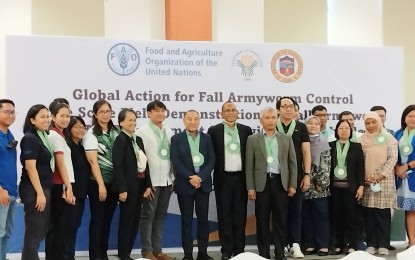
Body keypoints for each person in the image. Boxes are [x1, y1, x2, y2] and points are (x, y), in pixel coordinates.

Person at [246, 107, 297, 260]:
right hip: (262, 184)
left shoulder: (286, 138)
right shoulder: (253, 139)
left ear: (277, 119)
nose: (271, 120)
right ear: (261, 120)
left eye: (273, 117)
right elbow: (249, 165)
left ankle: (280, 252)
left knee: (280, 219)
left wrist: (292, 184)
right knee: (262, 220)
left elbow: (292, 163)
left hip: (280, 183)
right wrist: (250, 187)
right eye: (267, 118)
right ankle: (263, 252)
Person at [207, 101, 252, 260]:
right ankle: (226, 250)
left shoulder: (246, 130)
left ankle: (240, 249)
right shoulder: (214, 130)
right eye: (227, 110)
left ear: (237, 112)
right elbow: (210, 155)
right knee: (224, 214)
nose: (231, 112)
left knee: (240, 215)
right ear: (222, 113)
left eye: (233, 110)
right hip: (223, 178)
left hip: (241, 179)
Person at [170, 110, 215, 260]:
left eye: (196, 119)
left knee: (203, 221)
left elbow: (212, 160)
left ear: (199, 121)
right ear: (184, 120)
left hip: (203, 185)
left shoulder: (207, 138)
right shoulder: (176, 139)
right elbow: (176, 160)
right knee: (186, 221)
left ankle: (203, 253)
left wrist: (200, 178)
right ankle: (188, 254)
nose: (193, 122)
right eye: (189, 119)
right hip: (185, 185)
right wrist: (191, 177)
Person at [137, 101, 175, 260]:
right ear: (149, 113)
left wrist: (172, 178)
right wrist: (146, 183)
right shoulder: (141, 132)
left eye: (163, 111)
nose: (160, 114)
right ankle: (147, 251)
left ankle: (158, 250)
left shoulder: (169, 131)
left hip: (167, 180)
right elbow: (140, 160)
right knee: (148, 216)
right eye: (156, 111)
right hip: (151, 183)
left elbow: (172, 157)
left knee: (160, 216)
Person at [113, 108, 153, 260]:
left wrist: (148, 185)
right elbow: (118, 166)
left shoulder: (138, 139)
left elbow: (145, 163)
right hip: (128, 189)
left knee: (135, 221)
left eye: (134, 120)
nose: (133, 123)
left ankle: (127, 253)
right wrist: (122, 189)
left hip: (139, 187)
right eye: (129, 120)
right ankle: (123, 254)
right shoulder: (120, 140)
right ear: (121, 122)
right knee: (126, 222)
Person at [83, 100, 119, 260]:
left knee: (107, 220)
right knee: (98, 220)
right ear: (95, 114)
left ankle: (103, 252)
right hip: (98, 183)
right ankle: (95, 255)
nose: (105, 114)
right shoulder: (91, 134)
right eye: (102, 111)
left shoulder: (116, 131)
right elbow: (92, 161)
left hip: (114, 183)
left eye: (108, 111)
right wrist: (101, 185)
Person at [276, 97, 311, 259]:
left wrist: (307, 174)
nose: (288, 109)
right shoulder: (271, 125)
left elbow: (306, 152)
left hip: (297, 176)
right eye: (285, 106)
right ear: (278, 110)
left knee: (296, 211)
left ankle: (295, 244)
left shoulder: (301, 127)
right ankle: (281, 244)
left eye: (291, 106)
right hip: (276, 177)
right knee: (279, 212)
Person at [359, 112, 398, 256]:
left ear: (379, 122)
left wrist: (380, 176)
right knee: (369, 214)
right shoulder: (361, 140)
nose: (370, 125)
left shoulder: (389, 138)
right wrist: (365, 177)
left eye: (373, 122)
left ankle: (383, 244)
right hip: (368, 181)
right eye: (367, 123)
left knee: (383, 214)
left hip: (384, 181)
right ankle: (371, 243)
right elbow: (358, 160)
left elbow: (393, 158)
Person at [19, 104, 53, 260]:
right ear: (32, 120)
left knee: (41, 230)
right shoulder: (30, 138)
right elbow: (30, 167)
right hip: (34, 189)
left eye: (48, 116)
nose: (46, 119)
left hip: (44, 187)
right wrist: (40, 193)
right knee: (34, 230)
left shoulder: (43, 136)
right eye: (42, 117)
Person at [45, 100, 76, 260]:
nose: (65, 119)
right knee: (58, 227)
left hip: (62, 185)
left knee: (60, 227)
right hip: (59, 186)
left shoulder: (60, 135)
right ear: (53, 117)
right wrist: (68, 187)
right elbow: (60, 164)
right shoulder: (54, 136)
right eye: (61, 116)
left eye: (67, 115)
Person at [328, 119, 365, 255]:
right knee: (337, 217)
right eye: (341, 128)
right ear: (336, 131)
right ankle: (338, 244)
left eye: (347, 128)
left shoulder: (356, 146)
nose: (344, 130)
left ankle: (352, 244)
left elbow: (360, 168)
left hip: (351, 189)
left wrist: (361, 186)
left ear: (351, 131)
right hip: (334, 189)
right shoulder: (330, 145)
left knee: (352, 218)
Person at [301, 116, 331, 256]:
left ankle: (323, 245)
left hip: (320, 187)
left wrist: (320, 183)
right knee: (306, 215)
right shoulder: (302, 142)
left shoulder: (324, 143)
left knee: (321, 216)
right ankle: (310, 243)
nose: (313, 126)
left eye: (316, 123)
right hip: (304, 186)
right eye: (310, 123)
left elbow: (326, 165)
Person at [63, 116, 91, 259]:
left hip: (80, 193)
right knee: (68, 227)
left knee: (74, 227)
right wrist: (68, 190)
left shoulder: (80, 147)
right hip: (70, 193)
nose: (81, 130)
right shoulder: (67, 146)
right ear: (69, 128)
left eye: (82, 127)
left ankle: (70, 255)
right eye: (77, 127)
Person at [394, 105, 415, 248]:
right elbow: (392, 153)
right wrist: (397, 168)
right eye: (410, 116)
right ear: (404, 118)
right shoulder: (398, 133)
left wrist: (406, 166)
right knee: (410, 210)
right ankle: (412, 242)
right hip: (403, 179)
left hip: (411, 172)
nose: (413, 119)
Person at [0, 99, 17, 260]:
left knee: (6, 233)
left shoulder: (9, 135)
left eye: (13, 112)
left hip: (11, 191)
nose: (11, 115)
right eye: (6, 111)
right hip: (1, 192)